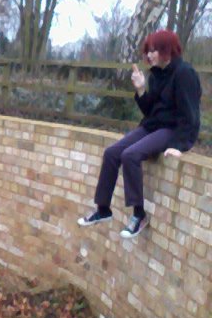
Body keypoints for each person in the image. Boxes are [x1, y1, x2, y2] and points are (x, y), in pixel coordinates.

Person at [78, 29, 202, 238]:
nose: (150, 55)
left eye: (154, 50)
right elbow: (150, 110)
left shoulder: (184, 74)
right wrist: (141, 90)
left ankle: (138, 214)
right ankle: (103, 209)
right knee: (112, 153)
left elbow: (191, 117)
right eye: (148, 51)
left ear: (167, 49)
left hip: (170, 130)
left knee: (130, 155)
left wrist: (181, 146)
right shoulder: (156, 75)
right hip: (151, 126)